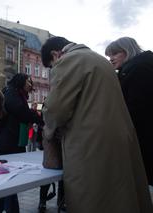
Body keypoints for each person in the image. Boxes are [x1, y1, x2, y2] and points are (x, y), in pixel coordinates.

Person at [40, 36, 153, 213]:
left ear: (55, 54)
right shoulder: (100, 61)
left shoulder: (68, 61)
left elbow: (56, 110)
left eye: (51, 66)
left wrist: (47, 128)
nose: (53, 70)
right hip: (118, 141)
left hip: (88, 145)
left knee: (89, 199)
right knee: (119, 197)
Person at [0, 73, 43, 213]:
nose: (30, 85)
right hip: (9, 143)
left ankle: (1, 209)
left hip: (12, 141)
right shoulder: (12, 94)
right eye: (28, 82)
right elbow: (22, 112)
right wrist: (40, 119)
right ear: (20, 81)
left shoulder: (16, 94)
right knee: (8, 182)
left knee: (8, 182)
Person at [105, 37, 153, 186]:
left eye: (114, 54)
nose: (111, 59)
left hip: (145, 135)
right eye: (109, 56)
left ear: (126, 51)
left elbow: (135, 108)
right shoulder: (140, 66)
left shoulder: (138, 69)